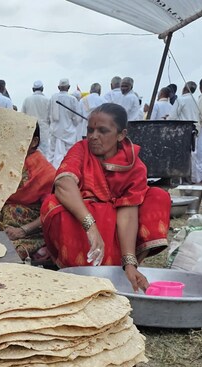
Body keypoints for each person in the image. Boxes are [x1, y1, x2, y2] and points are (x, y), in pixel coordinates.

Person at [40, 103, 170, 292]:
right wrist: (90, 225)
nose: (93, 136)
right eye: (90, 130)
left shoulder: (134, 164)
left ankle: (125, 269)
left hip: (116, 221)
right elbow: (64, 183)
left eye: (102, 131)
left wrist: (129, 262)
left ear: (121, 135)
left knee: (158, 196)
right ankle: (81, 273)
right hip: (85, 217)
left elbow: (128, 211)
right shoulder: (81, 149)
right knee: (54, 204)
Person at [0, 125, 56, 262]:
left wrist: (23, 230)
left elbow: (51, 210)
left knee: (5, 254)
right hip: (1, 227)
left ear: (34, 142)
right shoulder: (7, 162)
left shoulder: (45, 172)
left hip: (27, 234)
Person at [47, 78, 85, 168]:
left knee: (52, 155)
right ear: (68, 87)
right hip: (69, 132)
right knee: (67, 154)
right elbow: (77, 118)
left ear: (58, 87)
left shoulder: (53, 97)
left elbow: (48, 113)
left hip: (55, 130)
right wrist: (72, 124)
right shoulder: (72, 99)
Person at [21, 80, 51, 157]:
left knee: (30, 151)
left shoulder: (27, 100)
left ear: (33, 89)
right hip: (44, 129)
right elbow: (50, 117)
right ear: (42, 89)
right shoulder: (47, 100)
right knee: (44, 154)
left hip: (30, 129)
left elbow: (22, 115)